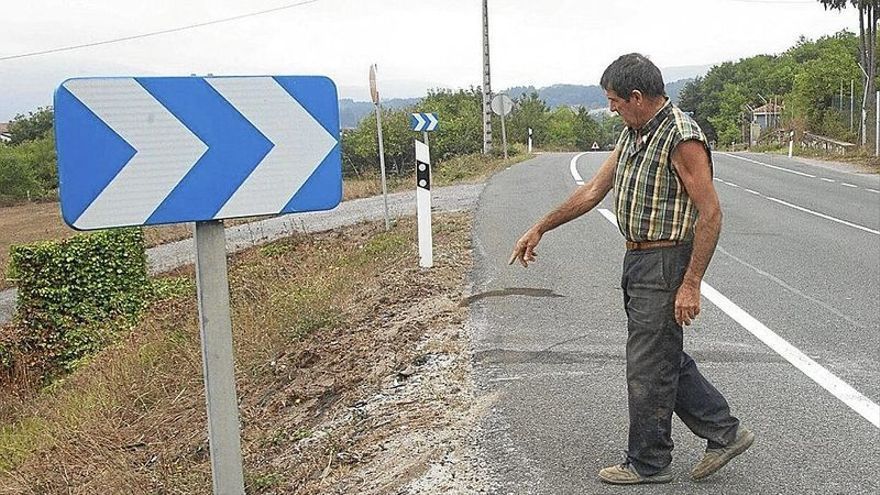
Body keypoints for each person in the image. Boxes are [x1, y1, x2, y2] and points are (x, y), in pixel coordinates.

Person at [508, 53, 754, 485]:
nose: (612, 109)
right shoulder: (633, 133)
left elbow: (711, 213)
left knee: (646, 364)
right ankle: (724, 431)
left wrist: (691, 283)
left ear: (638, 96)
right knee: (661, 357)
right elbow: (591, 192)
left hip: (665, 261)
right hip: (638, 259)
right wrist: (540, 227)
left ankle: (649, 461)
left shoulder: (681, 138)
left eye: (615, 100)